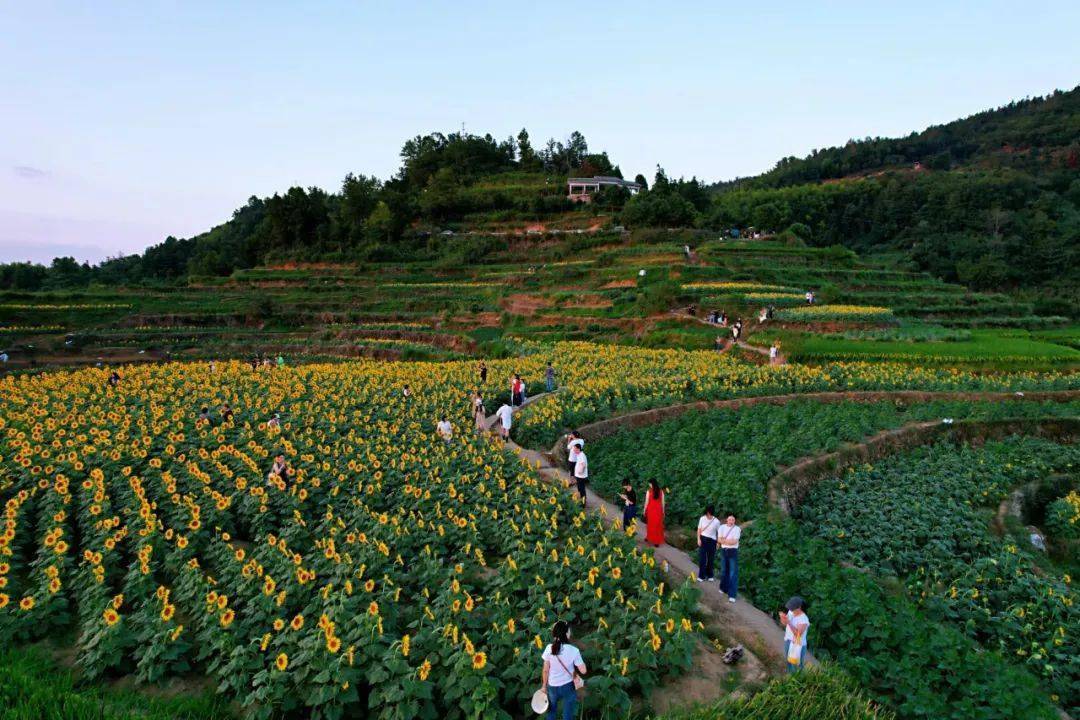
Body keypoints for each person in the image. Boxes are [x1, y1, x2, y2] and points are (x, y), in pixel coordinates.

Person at [540, 621, 586, 720]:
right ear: (566, 634)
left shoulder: (549, 648)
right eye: (569, 631)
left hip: (552, 686)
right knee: (568, 713)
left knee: (551, 711)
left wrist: (544, 686)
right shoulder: (574, 650)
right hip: (568, 686)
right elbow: (583, 671)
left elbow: (545, 670)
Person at [779, 596, 810, 673]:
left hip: (798, 645)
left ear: (799, 607)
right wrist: (783, 618)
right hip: (788, 640)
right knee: (789, 661)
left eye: (792, 608)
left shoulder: (804, 619)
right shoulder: (791, 611)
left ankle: (798, 680)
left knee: (796, 665)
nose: (791, 610)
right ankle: (790, 677)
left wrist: (789, 622)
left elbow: (797, 634)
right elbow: (784, 623)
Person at [718, 515, 742, 603]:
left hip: (733, 551)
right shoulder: (722, 527)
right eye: (729, 519)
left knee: (733, 572)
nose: (731, 521)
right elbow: (719, 539)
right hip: (724, 550)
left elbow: (734, 541)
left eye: (733, 519)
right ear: (726, 520)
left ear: (734, 521)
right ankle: (723, 588)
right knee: (724, 570)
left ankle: (732, 594)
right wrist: (726, 540)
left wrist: (724, 540)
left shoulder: (737, 529)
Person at [696, 505, 721, 582]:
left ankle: (710, 575)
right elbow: (699, 530)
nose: (708, 514)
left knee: (711, 559)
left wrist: (718, 543)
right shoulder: (702, 519)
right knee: (702, 559)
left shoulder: (716, 521)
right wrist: (698, 539)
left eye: (710, 512)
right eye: (707, 512)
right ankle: (701, 576)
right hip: (703, 539)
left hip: (712, 541)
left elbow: (719, 533)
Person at [644, 480, 665, 546]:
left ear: (652, 484)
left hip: (651, 510)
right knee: (657, 526)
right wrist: (663, 511)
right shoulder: (661, 491)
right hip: (658, 510)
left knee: (650, 524)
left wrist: (644, 509)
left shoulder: (649, 491)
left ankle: (649, 537)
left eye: (649, 484)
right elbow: (663, 502)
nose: (649, 485)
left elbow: (646, 502)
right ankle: (656, 542)